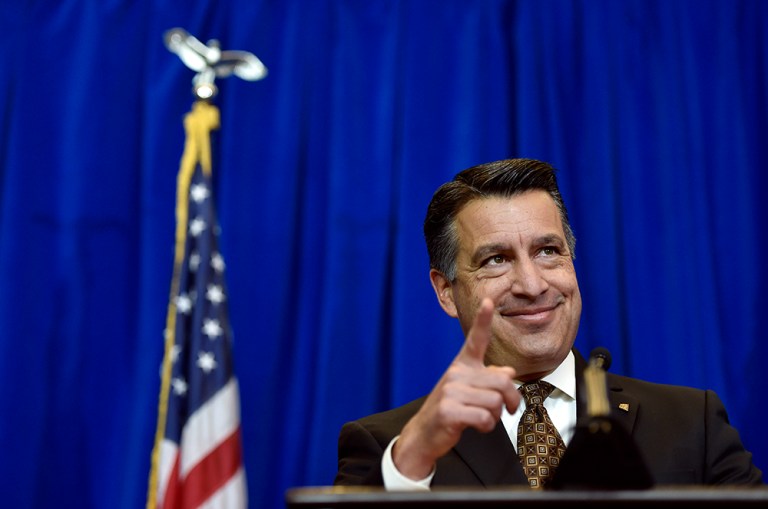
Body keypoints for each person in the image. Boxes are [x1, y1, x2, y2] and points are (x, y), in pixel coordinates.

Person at [334, 158, 763, 489]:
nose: (532, 284)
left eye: (547, 251)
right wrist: (413, 457)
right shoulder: (387, 448)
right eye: (496, 260)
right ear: (446, 291)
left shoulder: (694, 423)